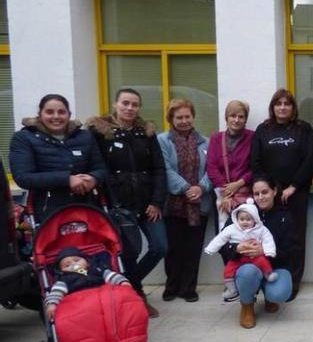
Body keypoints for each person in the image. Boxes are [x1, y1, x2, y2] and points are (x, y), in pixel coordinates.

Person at [86, 88, 167, 318]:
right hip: (119, 205)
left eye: (134, 104)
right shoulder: (99, 133)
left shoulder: (146, 133)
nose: (130, 108)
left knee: (160, 246)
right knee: (130, 252)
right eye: (125, 103)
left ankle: (128, 283)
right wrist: (111, 203)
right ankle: (137, 294)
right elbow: (98, 169)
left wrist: (156, 201)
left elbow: (158, 169)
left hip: (148, 203)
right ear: (115, 104)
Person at [251, 89, 313, 299]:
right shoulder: (263, 130)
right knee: (268, 236)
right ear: (273, 107)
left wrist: (293, 186)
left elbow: (311, 160)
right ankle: (269, 278)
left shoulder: (303, 129)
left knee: (295, 238)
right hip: (270, 197)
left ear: (292, 107)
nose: (282, 107)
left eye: (286, 104)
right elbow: (255, 162)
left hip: (296, 194)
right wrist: (270, 190)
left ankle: (293, 281)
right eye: (278, 104)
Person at [9, 94, 106, 221]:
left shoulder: (85, 136)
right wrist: (67, 179)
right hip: (47, 212)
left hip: (87, 208)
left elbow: (101, 169)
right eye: (49, 112)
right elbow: (23, 177)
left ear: (69, 114)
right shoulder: (23, 138)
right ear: (40, 114)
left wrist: (94, 178)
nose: (56, 116)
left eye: (61, 112)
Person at [218, 177, 296, 329]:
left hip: (275, 268)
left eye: (265, 192)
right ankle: (247, 306)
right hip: (246, 267)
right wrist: (237, 248)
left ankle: (269, 296)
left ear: (274, 192)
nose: (260, 197)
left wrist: (265, 251)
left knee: (279, 293)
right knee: (248, 272)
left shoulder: (285, 217)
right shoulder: (241, 214)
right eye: (256, 193)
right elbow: (221, 244)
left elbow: (291, 252)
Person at [157, 99, 213, 303]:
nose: (183, 121)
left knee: (193, 248)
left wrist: (201, 187)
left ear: (193, 117)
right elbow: (165, 169)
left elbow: (212, 170)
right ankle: (172, 286)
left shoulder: (206, 142)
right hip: (173, 204)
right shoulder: (162, 141)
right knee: (173, 249)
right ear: (171, 119)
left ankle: (189, 288)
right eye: (178, 117)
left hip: (199, 204)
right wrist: (187, 188)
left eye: (187, 116)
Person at [204, 199, 277, 302]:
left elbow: (268, 239)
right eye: (241, 219)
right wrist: (210, 249)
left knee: (263, 261)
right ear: (236, 219)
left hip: (255, 256)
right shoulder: (232, 228)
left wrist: (269, 251)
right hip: (238, 258)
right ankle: (232, 289)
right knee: (228, 270)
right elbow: (220, 238)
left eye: (248, 219)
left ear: (255, 219)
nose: (245, 222)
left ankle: (268, 274)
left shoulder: (261, 229)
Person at [43, 246, 131, 321]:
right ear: (62, 271)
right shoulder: (64, 280)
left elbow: (111, 276)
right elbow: (56, 292)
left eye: (76, 260)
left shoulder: (97, 270)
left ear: (87, 261)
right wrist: (52, 303)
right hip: (80, 304)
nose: (74, 265)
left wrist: (122, 282)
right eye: (67, 265)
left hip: (104, 297)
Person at [206, 100, 255, 227]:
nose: (236, 120)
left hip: (245, 195)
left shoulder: (253, 138)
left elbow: (256, 166)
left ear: (245, 119)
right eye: (233, 116)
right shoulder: (216, 139)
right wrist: (226, 193)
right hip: (222, 196)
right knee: (224, 234)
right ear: (226, 118)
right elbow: (212, 167)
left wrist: (239, 184)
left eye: (241, 117)